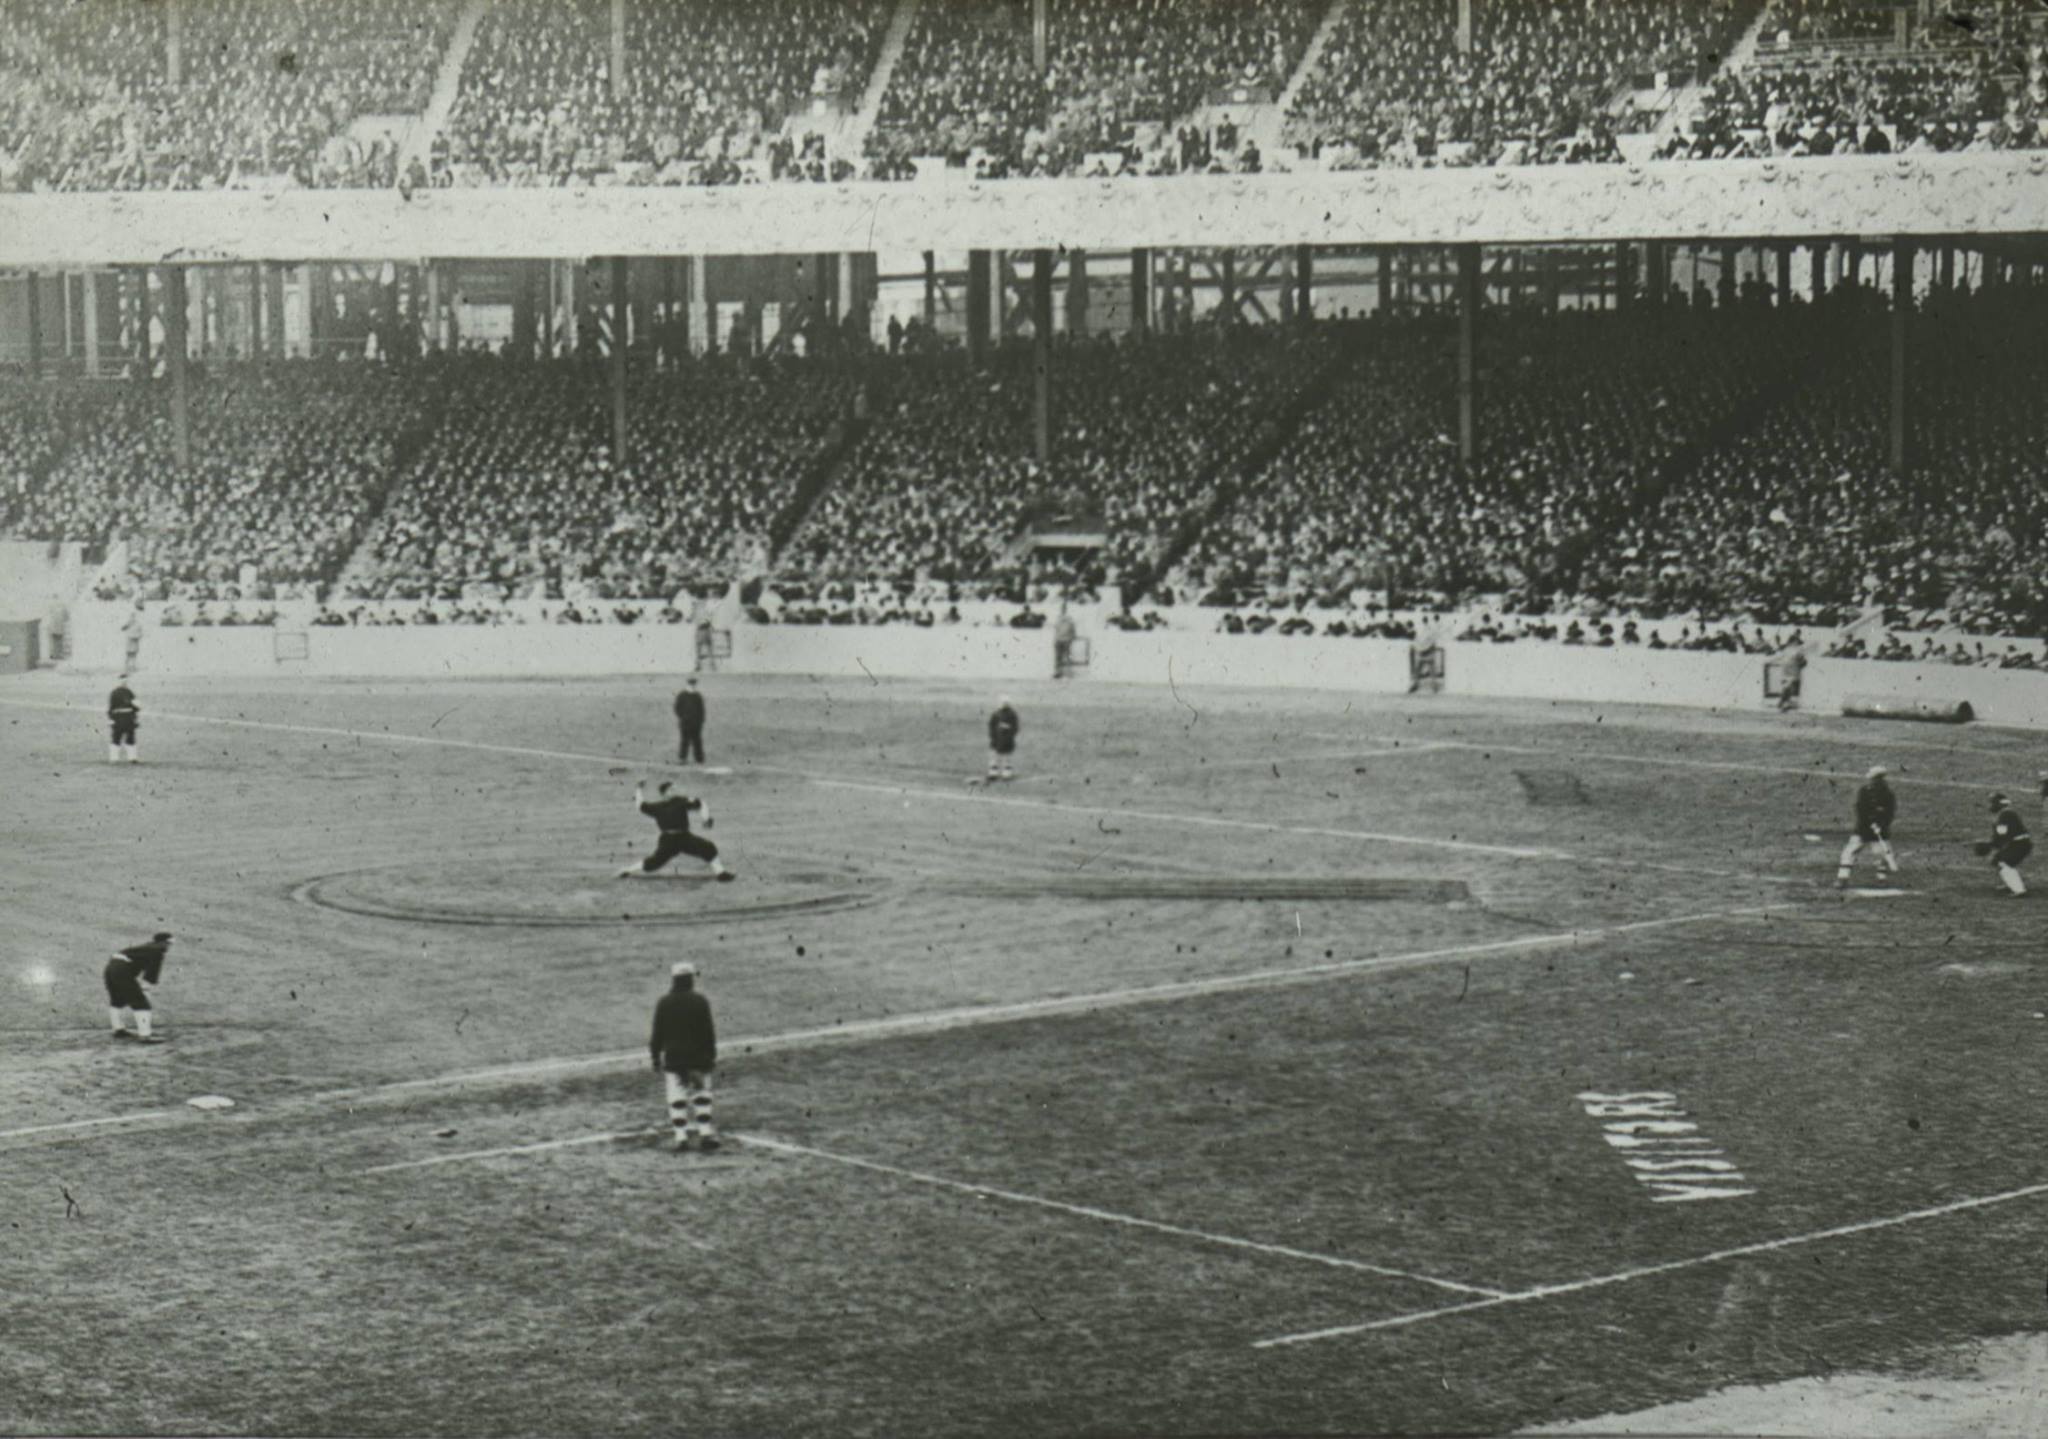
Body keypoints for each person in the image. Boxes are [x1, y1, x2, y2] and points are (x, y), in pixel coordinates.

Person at [649, 960, 718, 1153]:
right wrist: (711, 1057)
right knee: (702, 1095)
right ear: (690, 979)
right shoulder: (700, 1001)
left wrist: (655, 1057)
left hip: (674, 1059)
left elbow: (657, 1034)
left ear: (674, 980)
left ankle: (681, 1137)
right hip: (698, 1058)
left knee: (676, 1097)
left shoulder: (664, 1003)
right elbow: (708, 1033)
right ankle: (705, 1133)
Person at [620, 780, 734, 881]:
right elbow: (640, 805)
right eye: (672, 789)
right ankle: (628, 870)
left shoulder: (680, 801)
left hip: (684, 837)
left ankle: (721, 873)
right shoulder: (657, 807)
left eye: (675, 788)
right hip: (668, 841)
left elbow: (701, 803)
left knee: (708, 847)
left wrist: (706, 818)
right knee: (653, 863)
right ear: (665, 793)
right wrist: (638, 789)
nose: (675, 790)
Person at [1836, 765, 1900, 887]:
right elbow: (1860, 809)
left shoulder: (1888, 795)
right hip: (1862, 829)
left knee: (1881, 855)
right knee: (1849, 852)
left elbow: (1889, 813)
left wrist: (1881, 825)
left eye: (1877, 779)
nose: (1874, 781)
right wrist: (1870, 823)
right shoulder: (1864, 791)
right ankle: (1842, 878)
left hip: (1881, 831)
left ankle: (1882, 879)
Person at [104, 931, 173, 1042]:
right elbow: (152, 972)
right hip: (121, 970)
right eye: (169, 943)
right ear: (164, 942)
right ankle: (145, 1035)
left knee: (117, 1001)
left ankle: (118, 1030)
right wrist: (146, 987)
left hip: (110, 968)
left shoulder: (147, 947)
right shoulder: (157, 950)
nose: (169, 946)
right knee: (141, 1004)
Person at [1976, 792, 2032, 897]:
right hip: (2019, 843)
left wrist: (1989, 844)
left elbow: (2001, 836)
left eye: (1993, 803)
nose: (1991, 805)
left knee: (2003, 862)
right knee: (1997, 860)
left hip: (2020, 844)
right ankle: (2010, 884)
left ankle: (2019, 890)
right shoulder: (2005, 813)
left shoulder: (2005, 814)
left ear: (1999, 804)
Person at [108, 676, 141, 764]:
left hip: (128, 718)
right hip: (119, 718)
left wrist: (134, 715)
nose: (124, 682)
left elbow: (137, 706)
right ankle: (114, 758)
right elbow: (111, 707)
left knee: (130, 737)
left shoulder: (129, 692)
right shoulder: (115, 693)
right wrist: (111, 719)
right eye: (122, 680)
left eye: (125, 680)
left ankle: (132, 758)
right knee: (116, 737)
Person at [987, 696, 1020, 783]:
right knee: (998, 756)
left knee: (1003, 756)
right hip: (999, 738)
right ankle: (996, 772)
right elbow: (992, 725)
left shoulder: (1004, 714)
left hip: (1002, 739)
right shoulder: (1002, 714)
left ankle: (1000, 772)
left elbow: (1015, 727)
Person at [674, 677, 707, 764]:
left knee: (697, 741)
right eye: (691, 684)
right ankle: (682, 758)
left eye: (694, 684)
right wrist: (683, 717)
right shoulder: (682, 695)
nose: (693, 686)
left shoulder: (698, 696)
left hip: (696, 723)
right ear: (688, 684)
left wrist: (701, 720)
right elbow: (677, 708)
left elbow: (701, 709)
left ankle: (699, 759)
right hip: (685, 723)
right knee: (685, 741)